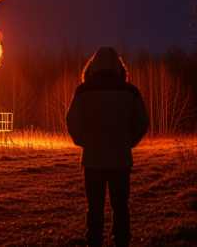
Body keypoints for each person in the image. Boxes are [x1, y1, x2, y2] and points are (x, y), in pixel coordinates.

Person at [66, 47, 149, 247]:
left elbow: (72, 121)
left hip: (92, 160)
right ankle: (121, 242)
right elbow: (142, 122)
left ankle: (94, 242)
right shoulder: (130, 91)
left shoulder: (83, 90)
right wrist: (128, 142)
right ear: (119, 67)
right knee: (120, 207)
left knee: (94, 207)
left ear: (92, 67)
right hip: (121, 160)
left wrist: (83, 141)